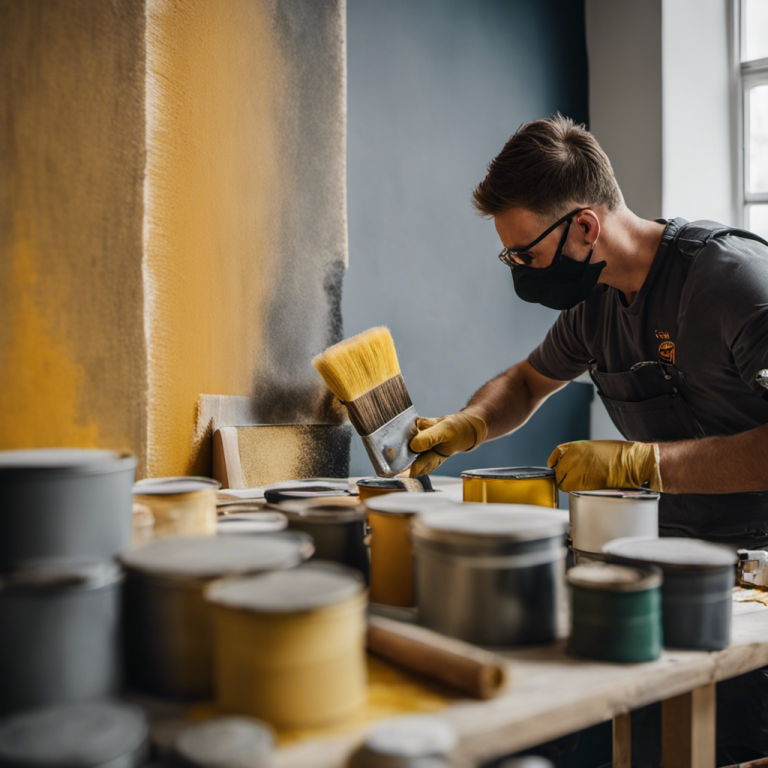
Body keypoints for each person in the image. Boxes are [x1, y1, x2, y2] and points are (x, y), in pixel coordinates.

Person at [408, 114, 768, 764]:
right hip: (675, 560)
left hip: (759, 578)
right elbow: (523, 383)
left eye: (528, 254)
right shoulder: (595, 307)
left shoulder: (735, 285)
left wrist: (643, 465)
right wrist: (469, 424)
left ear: (584, 226)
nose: (520, 270)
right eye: (510, 255)